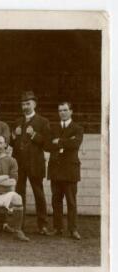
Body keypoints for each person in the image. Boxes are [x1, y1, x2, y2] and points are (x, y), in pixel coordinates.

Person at [11, 91, 51, 235]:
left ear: (34, 104)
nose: (25, 106)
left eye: (28, 103)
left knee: (38, 194)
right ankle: (19, 225)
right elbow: (12, 143)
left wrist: (34, 135)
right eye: (23, 104)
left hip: (35, 163)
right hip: (19, 163)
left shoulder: (43, 121)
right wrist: (13, 135)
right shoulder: (17, 121)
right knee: (19, 194)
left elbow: (47, 143)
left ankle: (43, 225)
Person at [47, 102, 84, 240]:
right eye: (60, 110)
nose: (62, 112)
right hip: (55, 169)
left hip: (70, 170)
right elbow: (48, 145)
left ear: (71, 111)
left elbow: (75, 144)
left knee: (71, 201)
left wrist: (59, 141)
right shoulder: (53, 128)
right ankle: (57, 228)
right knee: (56, 200)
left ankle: (73, 229)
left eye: (65, 110)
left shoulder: (78, 128)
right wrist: (65, 141)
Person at [0, 135, 30, 241]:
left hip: (7, 193)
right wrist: (5, 176)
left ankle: (18, 230)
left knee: (18, 198)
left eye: (1, 143)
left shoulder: (12, 160)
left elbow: (13, 181)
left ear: (5, 144)